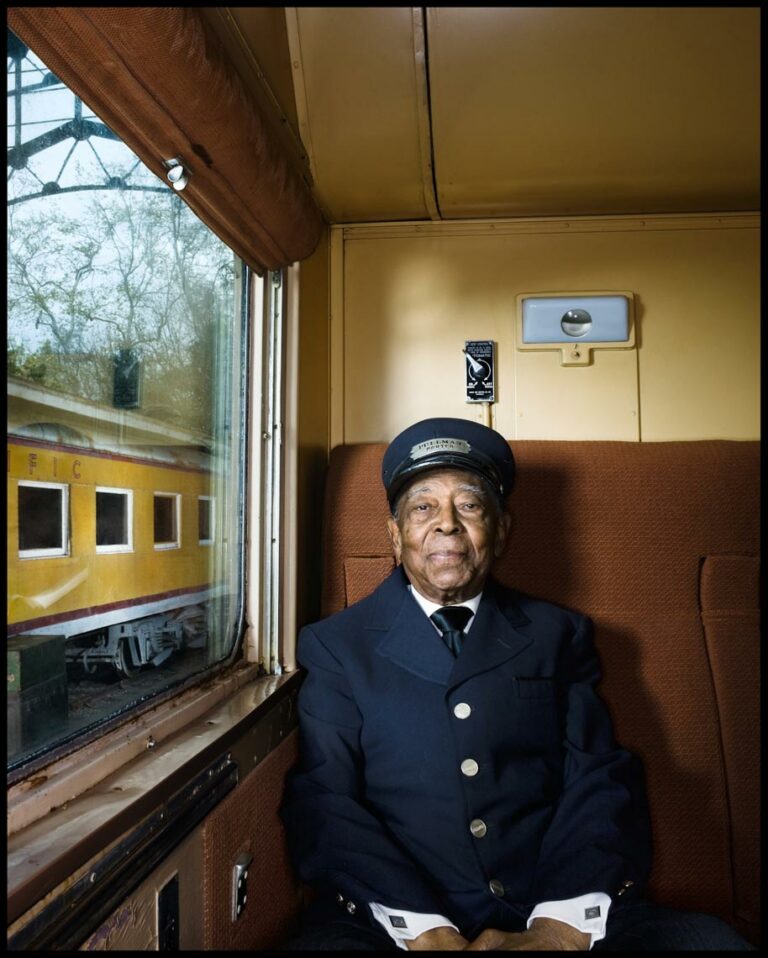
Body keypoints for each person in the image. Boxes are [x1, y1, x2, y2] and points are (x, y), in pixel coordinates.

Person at [280, 418, 754, 951]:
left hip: (549, 905)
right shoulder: (337, 646)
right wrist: (422, 929)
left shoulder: (557, 634)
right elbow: (325, 798)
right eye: (423, 508)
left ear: (501, 530)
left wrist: (558, 929)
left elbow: (597, 775)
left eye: (470, 505)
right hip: (393, 921)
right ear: (395, 535)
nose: (447, 525)